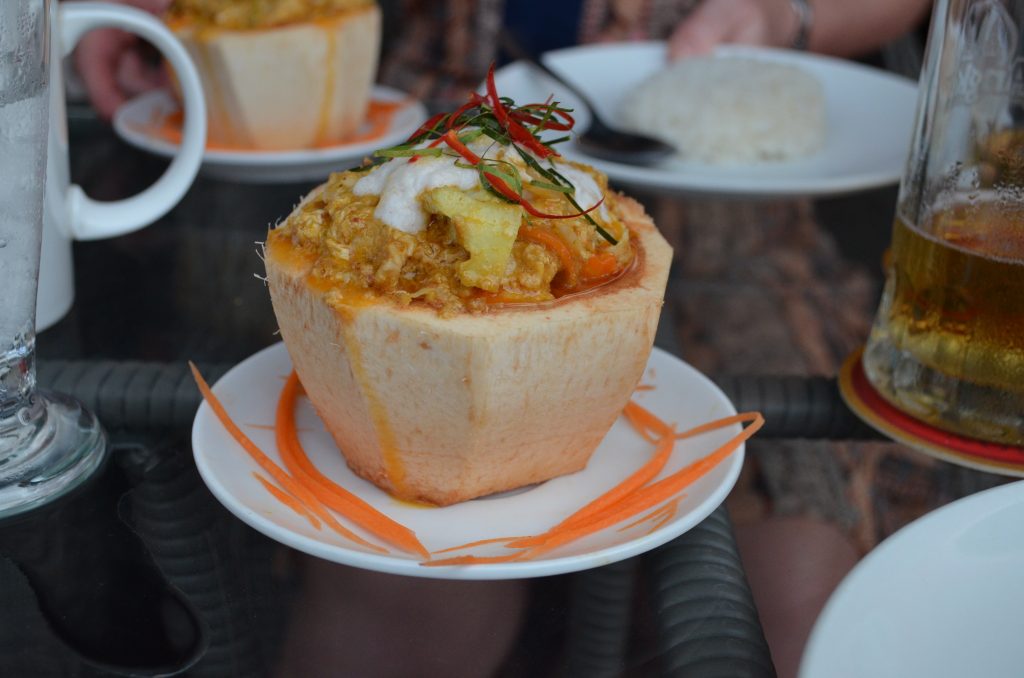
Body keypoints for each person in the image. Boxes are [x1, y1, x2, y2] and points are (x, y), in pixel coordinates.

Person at [70, 2, 938, 677]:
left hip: (743, 226)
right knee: (399, 616)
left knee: (801, 602)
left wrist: (784, 14)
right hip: (410, 149)